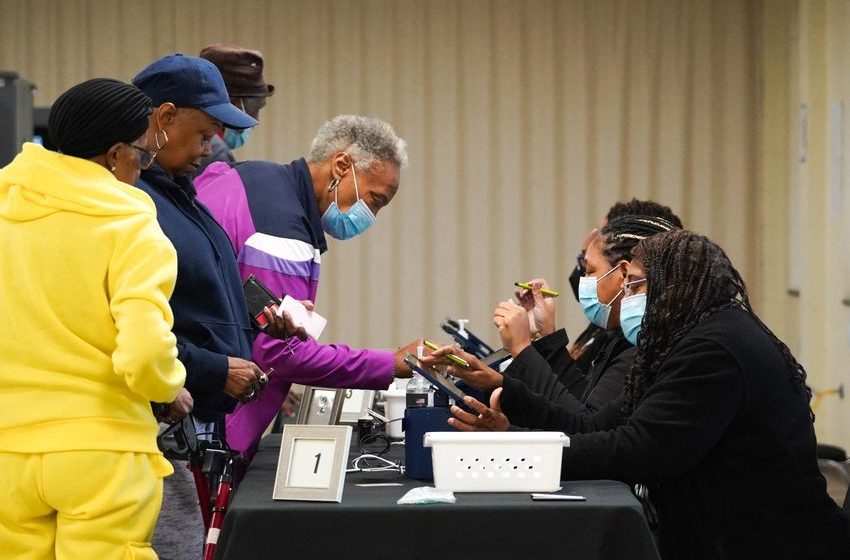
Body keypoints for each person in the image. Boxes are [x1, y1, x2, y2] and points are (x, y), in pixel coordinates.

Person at [438, 230, 850, 559]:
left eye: (635, 287)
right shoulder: (688, 340)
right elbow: (594, 424)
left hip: (770, 544)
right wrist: (505, 391)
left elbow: (640, 450)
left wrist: (521, 458)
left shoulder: (715, 348)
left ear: (675, 288)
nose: (626, 299)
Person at [0, 78, 186, 559]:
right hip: (101, 452)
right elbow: (146, 354)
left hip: (8, 450)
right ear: (114, 154)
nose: (143, 172)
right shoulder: (130, 226)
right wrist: (169, 387)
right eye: (143, 157)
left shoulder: (5, 208)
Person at [131, 53, 296, 560]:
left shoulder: (184, 197)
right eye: (203, 134)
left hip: (194, 419)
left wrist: (252, 321)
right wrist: (210, 367)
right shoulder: (137, 207)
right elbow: (132, 327)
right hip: (157, 420)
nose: (211, 148)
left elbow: (194, 298)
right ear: (163, 119)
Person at [195, 114, 419, 464]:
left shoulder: (254, 177)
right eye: (374, 200)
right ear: (342, 165)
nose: (370, 215)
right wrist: (390, 363)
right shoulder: (280, 231)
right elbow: (282, 354)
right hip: (207, 420)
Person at [457, 215, 677, 413]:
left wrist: (522, 349)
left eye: (590, 271)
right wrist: (546, 336)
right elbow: (581, 396)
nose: (584, 280)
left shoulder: (643, 347)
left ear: (623, 274)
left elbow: (585, 425)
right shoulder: (620, 337)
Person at [193, 44, 274, 176]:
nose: (256, 120)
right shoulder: (215, 155)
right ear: (233, 103)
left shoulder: (182, 140)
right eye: (255, 108)